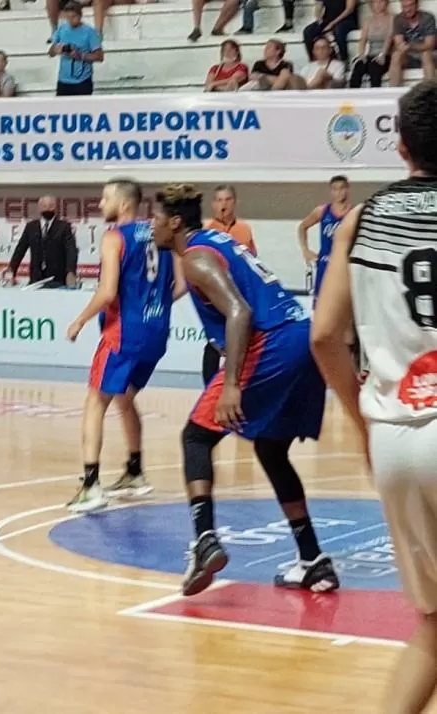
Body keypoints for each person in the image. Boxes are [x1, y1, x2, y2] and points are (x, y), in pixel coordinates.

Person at [311, 79, 437, 714]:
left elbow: (324, 336)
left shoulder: (359, 220)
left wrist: (365, 423)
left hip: (395, 437)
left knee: (433, 623)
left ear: (402, 146)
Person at [150, 184, 339, 597]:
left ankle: (205, 540)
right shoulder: (218, 241)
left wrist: (232, 384)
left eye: (156, 219)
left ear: (176, 223)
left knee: (196, 437)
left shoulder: (196, 257)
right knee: (271, 449)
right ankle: (313, 559)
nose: (151, 227)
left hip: (273, 343)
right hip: (302, 338)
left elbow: (239, 311)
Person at [65, 180, 183, 513]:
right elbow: (182, 284)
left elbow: (107, 293)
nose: (101, 204)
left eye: (106, 198)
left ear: (124, 203)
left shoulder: (114, 237)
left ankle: (91, 486)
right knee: (124, 397)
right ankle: (135, 472)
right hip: (156, 333)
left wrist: (79, 320)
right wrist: (155, 306)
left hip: (123, 334)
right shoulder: (161, 233)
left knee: (94, 401)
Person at [202, 185, 256, 386]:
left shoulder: (244, 230)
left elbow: (252, 261)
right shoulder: (207, 231)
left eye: (227, 200)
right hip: (217, 295)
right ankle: (209, 388)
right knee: (214, 344)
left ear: (235, 202)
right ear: (213, 204)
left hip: (240, 295)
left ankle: (240, 384)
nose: (223, 205)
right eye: (219, 200)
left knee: (242, 342)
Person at [297, 175, 351, 300]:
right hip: (325, 264)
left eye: (342, 188)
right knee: (321, 302)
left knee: (343, 304)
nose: (339, 192)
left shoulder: (354, 213)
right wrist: (305, 250)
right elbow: (302, 227)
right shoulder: (322, 211)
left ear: (348, 189)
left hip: (345, 265)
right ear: (331, 191)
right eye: (335, 189)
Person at [7, 195, 78, 288]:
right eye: (44, 206)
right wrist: (11, 270)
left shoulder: (64, 227)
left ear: (55, 207)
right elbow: (20, 250)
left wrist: (71, 271)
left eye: (51, 206)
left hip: (57, 279)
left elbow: (71, 251)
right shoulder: (31, 227)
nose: (47, 209)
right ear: (39, 208)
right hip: (35, 279)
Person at [49, 2, 104, 96]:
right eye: (68, 17)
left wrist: (80, 55)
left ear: (80, 15)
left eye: (73, 17)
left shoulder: (89, 32)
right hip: (63, 81)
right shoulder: (61, 29)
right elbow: (50, 53)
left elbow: (99, 57)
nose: (70, 20)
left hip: (82, 81)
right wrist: (55, 49)